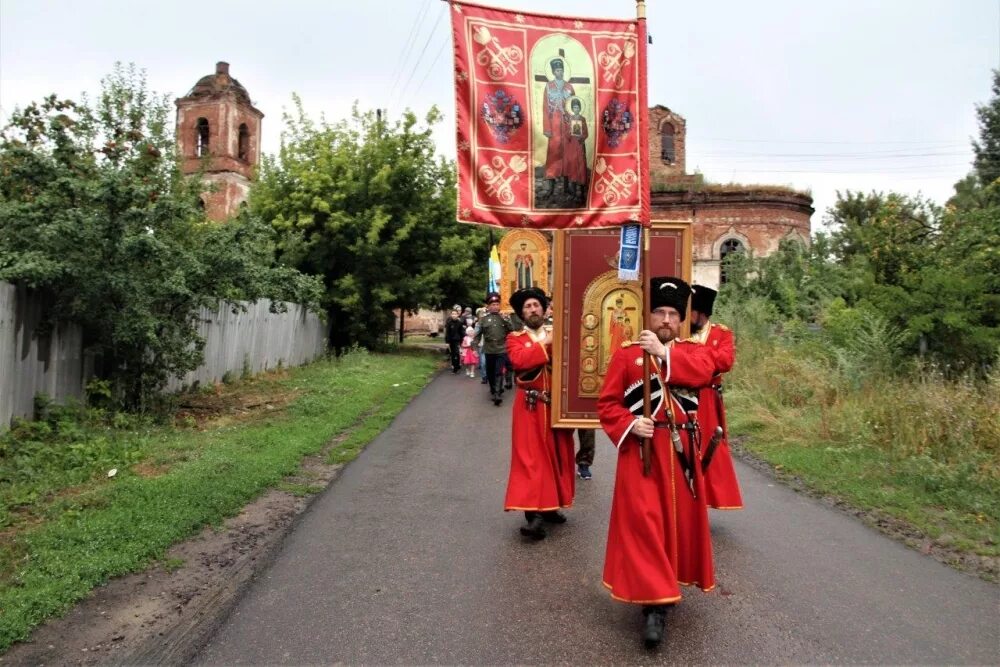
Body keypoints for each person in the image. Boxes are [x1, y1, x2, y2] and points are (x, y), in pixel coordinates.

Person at [597, 276, 717, 648]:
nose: (665, 320)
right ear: (647, 316)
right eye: (659, 312)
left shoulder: (693, 352)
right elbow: (607, 405)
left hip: (680, 452)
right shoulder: (626, 355)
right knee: (645, 526)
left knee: (675, 526)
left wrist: (664, 355)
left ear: (681, 319)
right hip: (642, 452)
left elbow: (704, 373)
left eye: (672, 314)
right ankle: (654, 606)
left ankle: (667, 583)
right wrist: (632, 422)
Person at [505, 287, 576, 539]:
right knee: (531, 460)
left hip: (556, 407)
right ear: (521, 314)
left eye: (536, 305)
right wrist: (546, 343)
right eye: (527, 307)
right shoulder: (515, 338)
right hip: (529, 408)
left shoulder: (561, 334)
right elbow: (520, 361)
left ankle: (550, 507)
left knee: (558, 457)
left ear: (544, 308)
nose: (533, 309)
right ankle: (533, 516)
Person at [689, 284, 743, 510]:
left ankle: (707, 497)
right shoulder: (682, 333)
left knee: (709, 447)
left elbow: (725, 362)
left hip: (707, 399)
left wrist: (697, 357)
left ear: (702, 313)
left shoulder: (722, 333)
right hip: (682, 395)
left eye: (690, 311)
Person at [540, 57, 575, 198]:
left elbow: (574, 106)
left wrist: (574, 127)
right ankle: (550, 188)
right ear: (554, 72)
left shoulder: (569, 87)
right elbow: (545, 108)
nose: (560, 72)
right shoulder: (549, 86)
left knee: (567, 154)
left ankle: (567, 187)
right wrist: (547, 128)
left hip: (567, 124)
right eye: (557, 70)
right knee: (553, 154)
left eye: (561, 70)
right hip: (554, 124)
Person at [474, 292, 516, 405]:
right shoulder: (483, 320)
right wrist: (474, 348)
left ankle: (497, 394)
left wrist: (506, 320)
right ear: (488, 306)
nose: (495, 306)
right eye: (492, 304)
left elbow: (512, 330)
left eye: (497, 304)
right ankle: (493, 389)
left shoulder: (504, 318)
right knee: (490, 372)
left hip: (501, 349)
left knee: (498, 372)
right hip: (488, 350)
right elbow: (477, 334)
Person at [563, 96, 589, 201]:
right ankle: (573, 194)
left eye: (577, 107)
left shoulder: (583, 119)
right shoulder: (570, 120)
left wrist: (582, 138)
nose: (576, 109)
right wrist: (570, 131)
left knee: (581, 168)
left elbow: (586, 133)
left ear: (580, 108)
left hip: (580, 144)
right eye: (574, 107)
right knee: (573, 168)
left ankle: (582, 194)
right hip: (572, 146)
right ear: (572, 109)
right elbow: (567, 134)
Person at [444, 308, 465, 374]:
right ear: (451, 315)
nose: (454, 315)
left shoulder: (459, 323)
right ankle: (454, 365)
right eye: (452, 314)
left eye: (455, 314)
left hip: (457, 340)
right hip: (451, 341)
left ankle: (456, 367)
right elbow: (447, 333)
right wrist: (447, 342)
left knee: (456, 353)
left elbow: (462, 333)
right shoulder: (449, 323)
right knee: (452, 354)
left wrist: (462, 341)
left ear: (457, 315)